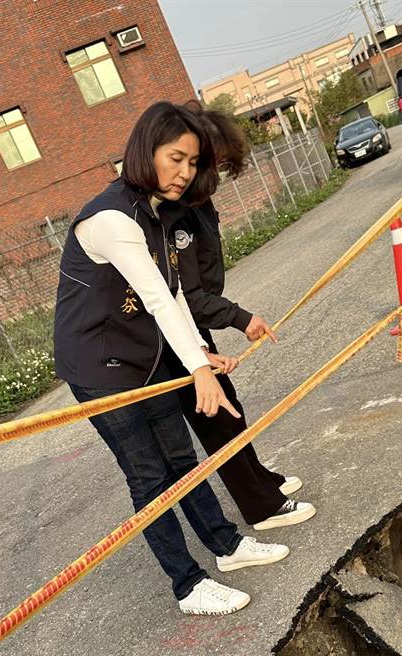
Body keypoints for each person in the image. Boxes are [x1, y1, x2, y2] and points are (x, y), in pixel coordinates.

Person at [54, 102, 289, 617]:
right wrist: (199, 372)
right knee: (149, 475)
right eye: (175, 158)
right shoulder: (112, 217)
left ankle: (226, 547)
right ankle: (187, 585)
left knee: (182, 459)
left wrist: (200, 354)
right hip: (98, 367)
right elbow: (156, 297)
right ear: (147, 151)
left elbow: (175, 293)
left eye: (192, 163)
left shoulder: (155, 211)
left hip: (143, 353)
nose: (184, 173)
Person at [160, 102, 316, 532]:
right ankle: (260, 507)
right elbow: (187, 296)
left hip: (194, 326)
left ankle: (260, 480)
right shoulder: (176, 218)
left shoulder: (197, 204)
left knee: (232, 411)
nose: (219, 178)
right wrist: (241, 318)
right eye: (217, 166)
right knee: (217, 421)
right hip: (173, 336)